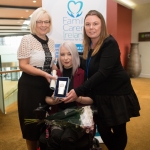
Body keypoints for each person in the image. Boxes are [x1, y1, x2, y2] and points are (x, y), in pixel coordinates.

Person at [63, 10, 141, 150]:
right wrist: (65, 59)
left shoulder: (109, 43)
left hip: (117, 94)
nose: (91, 27)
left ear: (102, 26)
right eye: (88, 24)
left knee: (118, 130)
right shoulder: (89, 45)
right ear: (84, 27)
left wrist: (78, 91)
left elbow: (102, 73)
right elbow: (88, 64)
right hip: (101, 94)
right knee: (104, 130)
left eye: (95, 24)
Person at [39, 41, 94, 150]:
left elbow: (91, 100)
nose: (66, 58)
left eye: (69, 54)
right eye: (62, 54)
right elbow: (46, 98)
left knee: (67, 138)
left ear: (75, 55)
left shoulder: (83, 74)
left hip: (78, 116)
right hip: (59, 115)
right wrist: (53, 101)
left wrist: (77, 98)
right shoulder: (56, 75)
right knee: (55, 137)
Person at [17, 7, 56, 150]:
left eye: (47, 21)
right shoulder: (27, 39)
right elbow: (23, 65)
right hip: (29, 88)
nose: (44, 25)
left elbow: (51, 64)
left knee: (44, 124)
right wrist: (44, 74)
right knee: (31, 126)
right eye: (40, 21)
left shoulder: (51, 42)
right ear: (34, 22)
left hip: (45, 88)